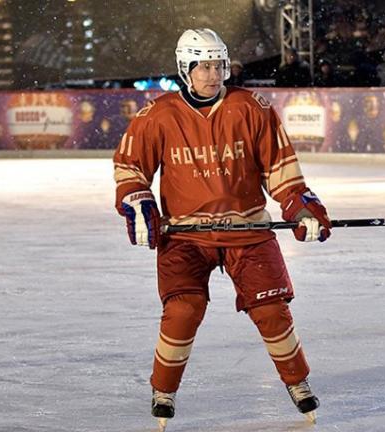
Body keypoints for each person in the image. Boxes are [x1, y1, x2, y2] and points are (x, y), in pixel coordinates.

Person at [112, 28, 331, 429]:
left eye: (219, 65)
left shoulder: (252, 107)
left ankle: (298, 382)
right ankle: (164, 390)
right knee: (183, 309)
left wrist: (300, 206)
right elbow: (130, 170)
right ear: (185, 69)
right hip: (184, 235)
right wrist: (138, 201)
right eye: (203, 66)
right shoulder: (157, 115)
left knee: (271, 310)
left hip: (247, 229)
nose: (213, 74)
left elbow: (281, 170)